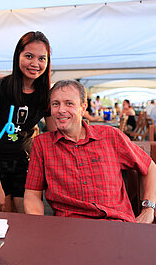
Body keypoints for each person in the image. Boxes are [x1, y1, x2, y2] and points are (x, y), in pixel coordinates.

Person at [24, 80, 156, 223]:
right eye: (56, 104)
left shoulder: (111, 136)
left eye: (69, 103)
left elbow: (150, 167)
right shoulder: (42, 144)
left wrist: (149, 209)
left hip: (116, 226)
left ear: (83, 108)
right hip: (69, 228)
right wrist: (39, 225)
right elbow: (32, 193)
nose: (61, 110)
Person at [0, 31, 55, 212]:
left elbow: (54, 135)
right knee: (4, 219)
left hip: (26, 162)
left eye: (42, 59)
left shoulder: (46, 94)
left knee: (26, 217)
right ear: (18, 56)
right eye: (29, 56)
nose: (35, 64)